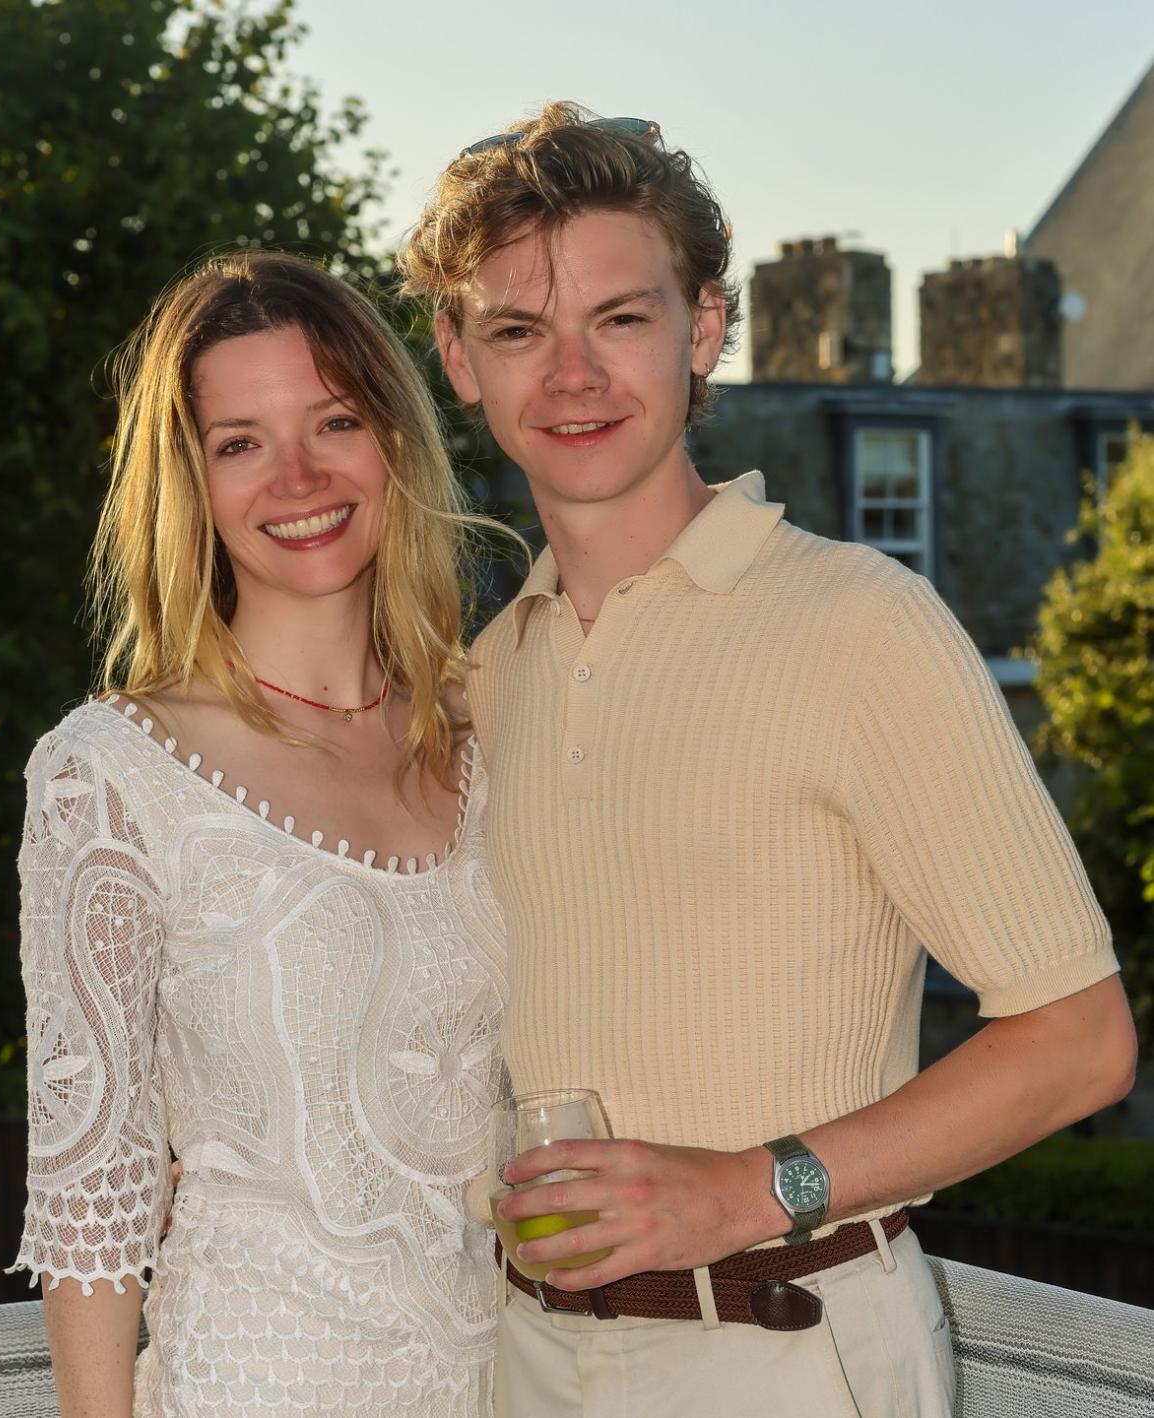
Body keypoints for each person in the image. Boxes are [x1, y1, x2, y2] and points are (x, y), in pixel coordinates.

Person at [399, 103, 1139, 1417]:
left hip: (788, 1350)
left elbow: (1077, 1042)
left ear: (701, 330)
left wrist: (744, 1187)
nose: (569, 374)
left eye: (619, 319)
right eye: (519, 329)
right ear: (458, 355)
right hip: (514, 1362)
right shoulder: (480, 676)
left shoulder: (860, 622)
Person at [8, 250, 511, 1417]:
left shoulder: (485, 733)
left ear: (393, 439)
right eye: (240, 441)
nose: (298, 474)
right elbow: (96, 1181)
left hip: (504, 1382)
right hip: (256, 1382)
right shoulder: (113, 772)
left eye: (334, 419)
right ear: (193, 481)